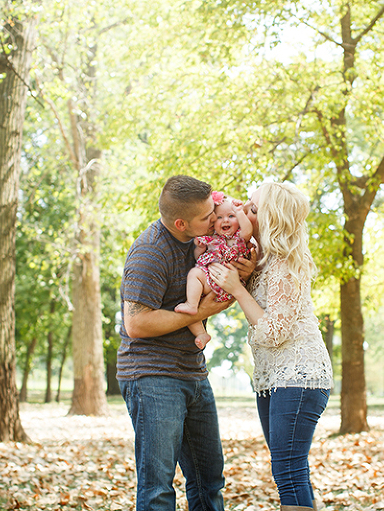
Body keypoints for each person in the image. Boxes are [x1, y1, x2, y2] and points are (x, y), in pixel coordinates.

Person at [117, 175, 256, 511]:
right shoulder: (150, 252)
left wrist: (246, 270)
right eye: (208, 216)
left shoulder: (205, 238)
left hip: (192, 372)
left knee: (209, 481)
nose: (216, 218)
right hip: (152, 375)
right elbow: (136, 323)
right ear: (181, 223)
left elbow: (221, 287)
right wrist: (201, 312)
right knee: (158, 489)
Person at [210, 182, 334, 511]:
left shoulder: (284, 264)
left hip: (299, 374)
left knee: (288, 472)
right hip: (273, 377)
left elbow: (274, 332)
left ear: (270, 219)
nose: (242, 211)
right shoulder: (261, 261)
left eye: (252, 208)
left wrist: (238, 289)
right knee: (290, 470)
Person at [176, 191, 254, 349]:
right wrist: (200, 248)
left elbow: (248, 230)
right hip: (212, 281)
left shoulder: (239, 237)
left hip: (226, 282)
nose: (225, 220)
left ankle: (191, 304)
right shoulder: (212, 239)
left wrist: (239, 211)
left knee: (194, 275)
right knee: (188, 312)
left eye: (231, 216)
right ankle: (201, 334)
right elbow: (198, 258)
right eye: (219, 217)